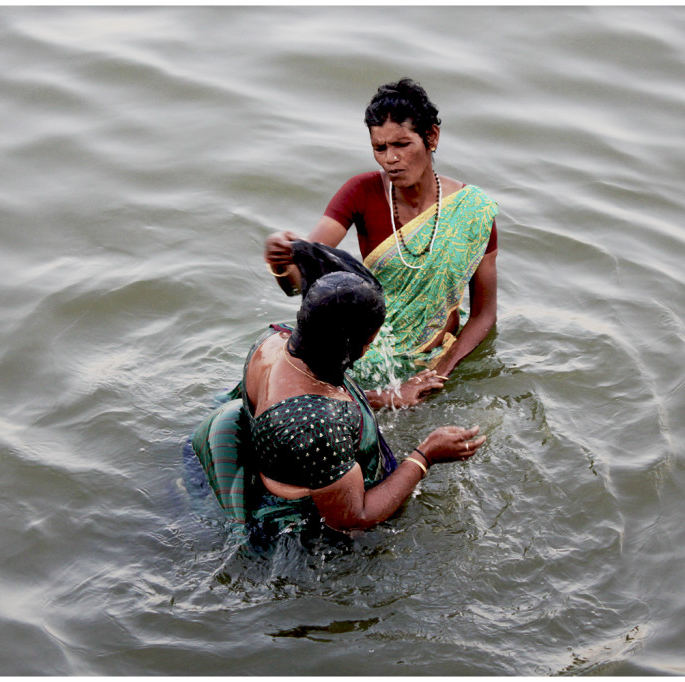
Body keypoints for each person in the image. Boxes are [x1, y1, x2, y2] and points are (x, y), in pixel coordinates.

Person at [189, 240, 485, 544]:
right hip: (305, 529)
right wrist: (425, 455)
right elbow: (354, 518)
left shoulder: (274, 343)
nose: (370, 348)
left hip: (287, 460)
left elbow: (312, 394)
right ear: (344, 347)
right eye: (369, 342)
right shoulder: (318, 426)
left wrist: (389, 397)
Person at [264, 78, 499, 409]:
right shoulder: (361, 193)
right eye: (380, 148)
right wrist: (281, 260)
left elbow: (484, 315)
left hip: (434, 364)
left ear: (431, 137)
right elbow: (300, 281)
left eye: (402, 144)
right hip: (365, 362)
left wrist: (438, 374)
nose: (391, 159)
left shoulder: (473, 211)